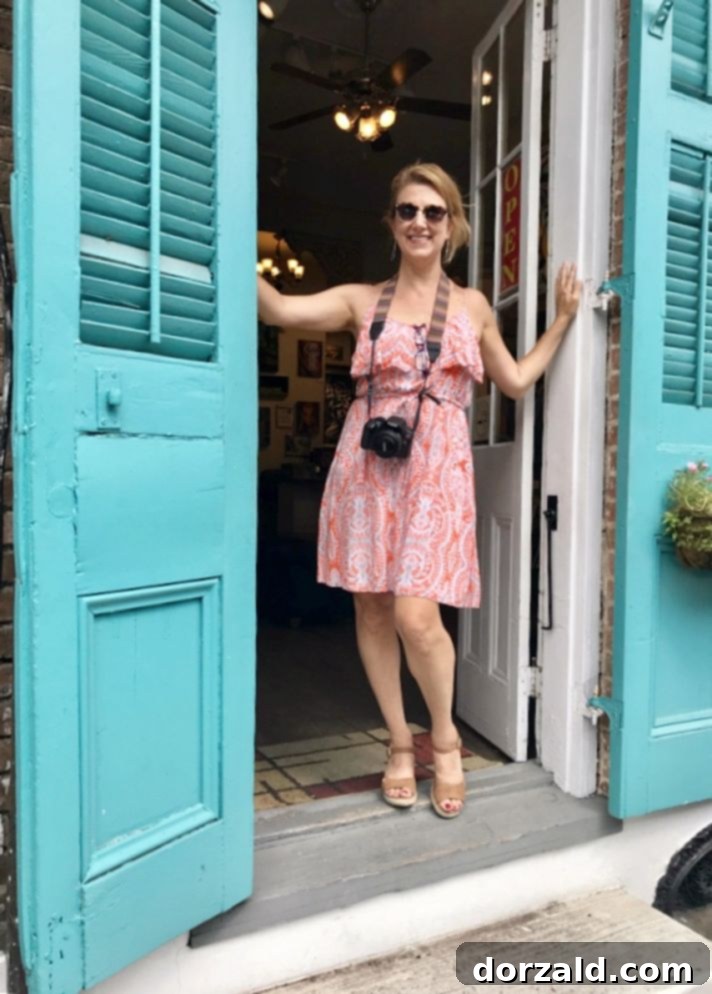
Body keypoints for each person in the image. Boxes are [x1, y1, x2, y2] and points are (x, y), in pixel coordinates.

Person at [258, 162, 581, 819]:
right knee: (372, 611)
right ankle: (400, 744)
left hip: (435, 474)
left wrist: (563, 321)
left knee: (416, 616)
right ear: (392, 222)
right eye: (407, 210)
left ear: (452, 225)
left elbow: (515, 381)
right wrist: (228, 238)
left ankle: (446, 737)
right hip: (366, 470)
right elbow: (279, 307)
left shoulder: (471, 307)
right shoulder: (361, 301)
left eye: (434, 213)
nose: (420, 222)